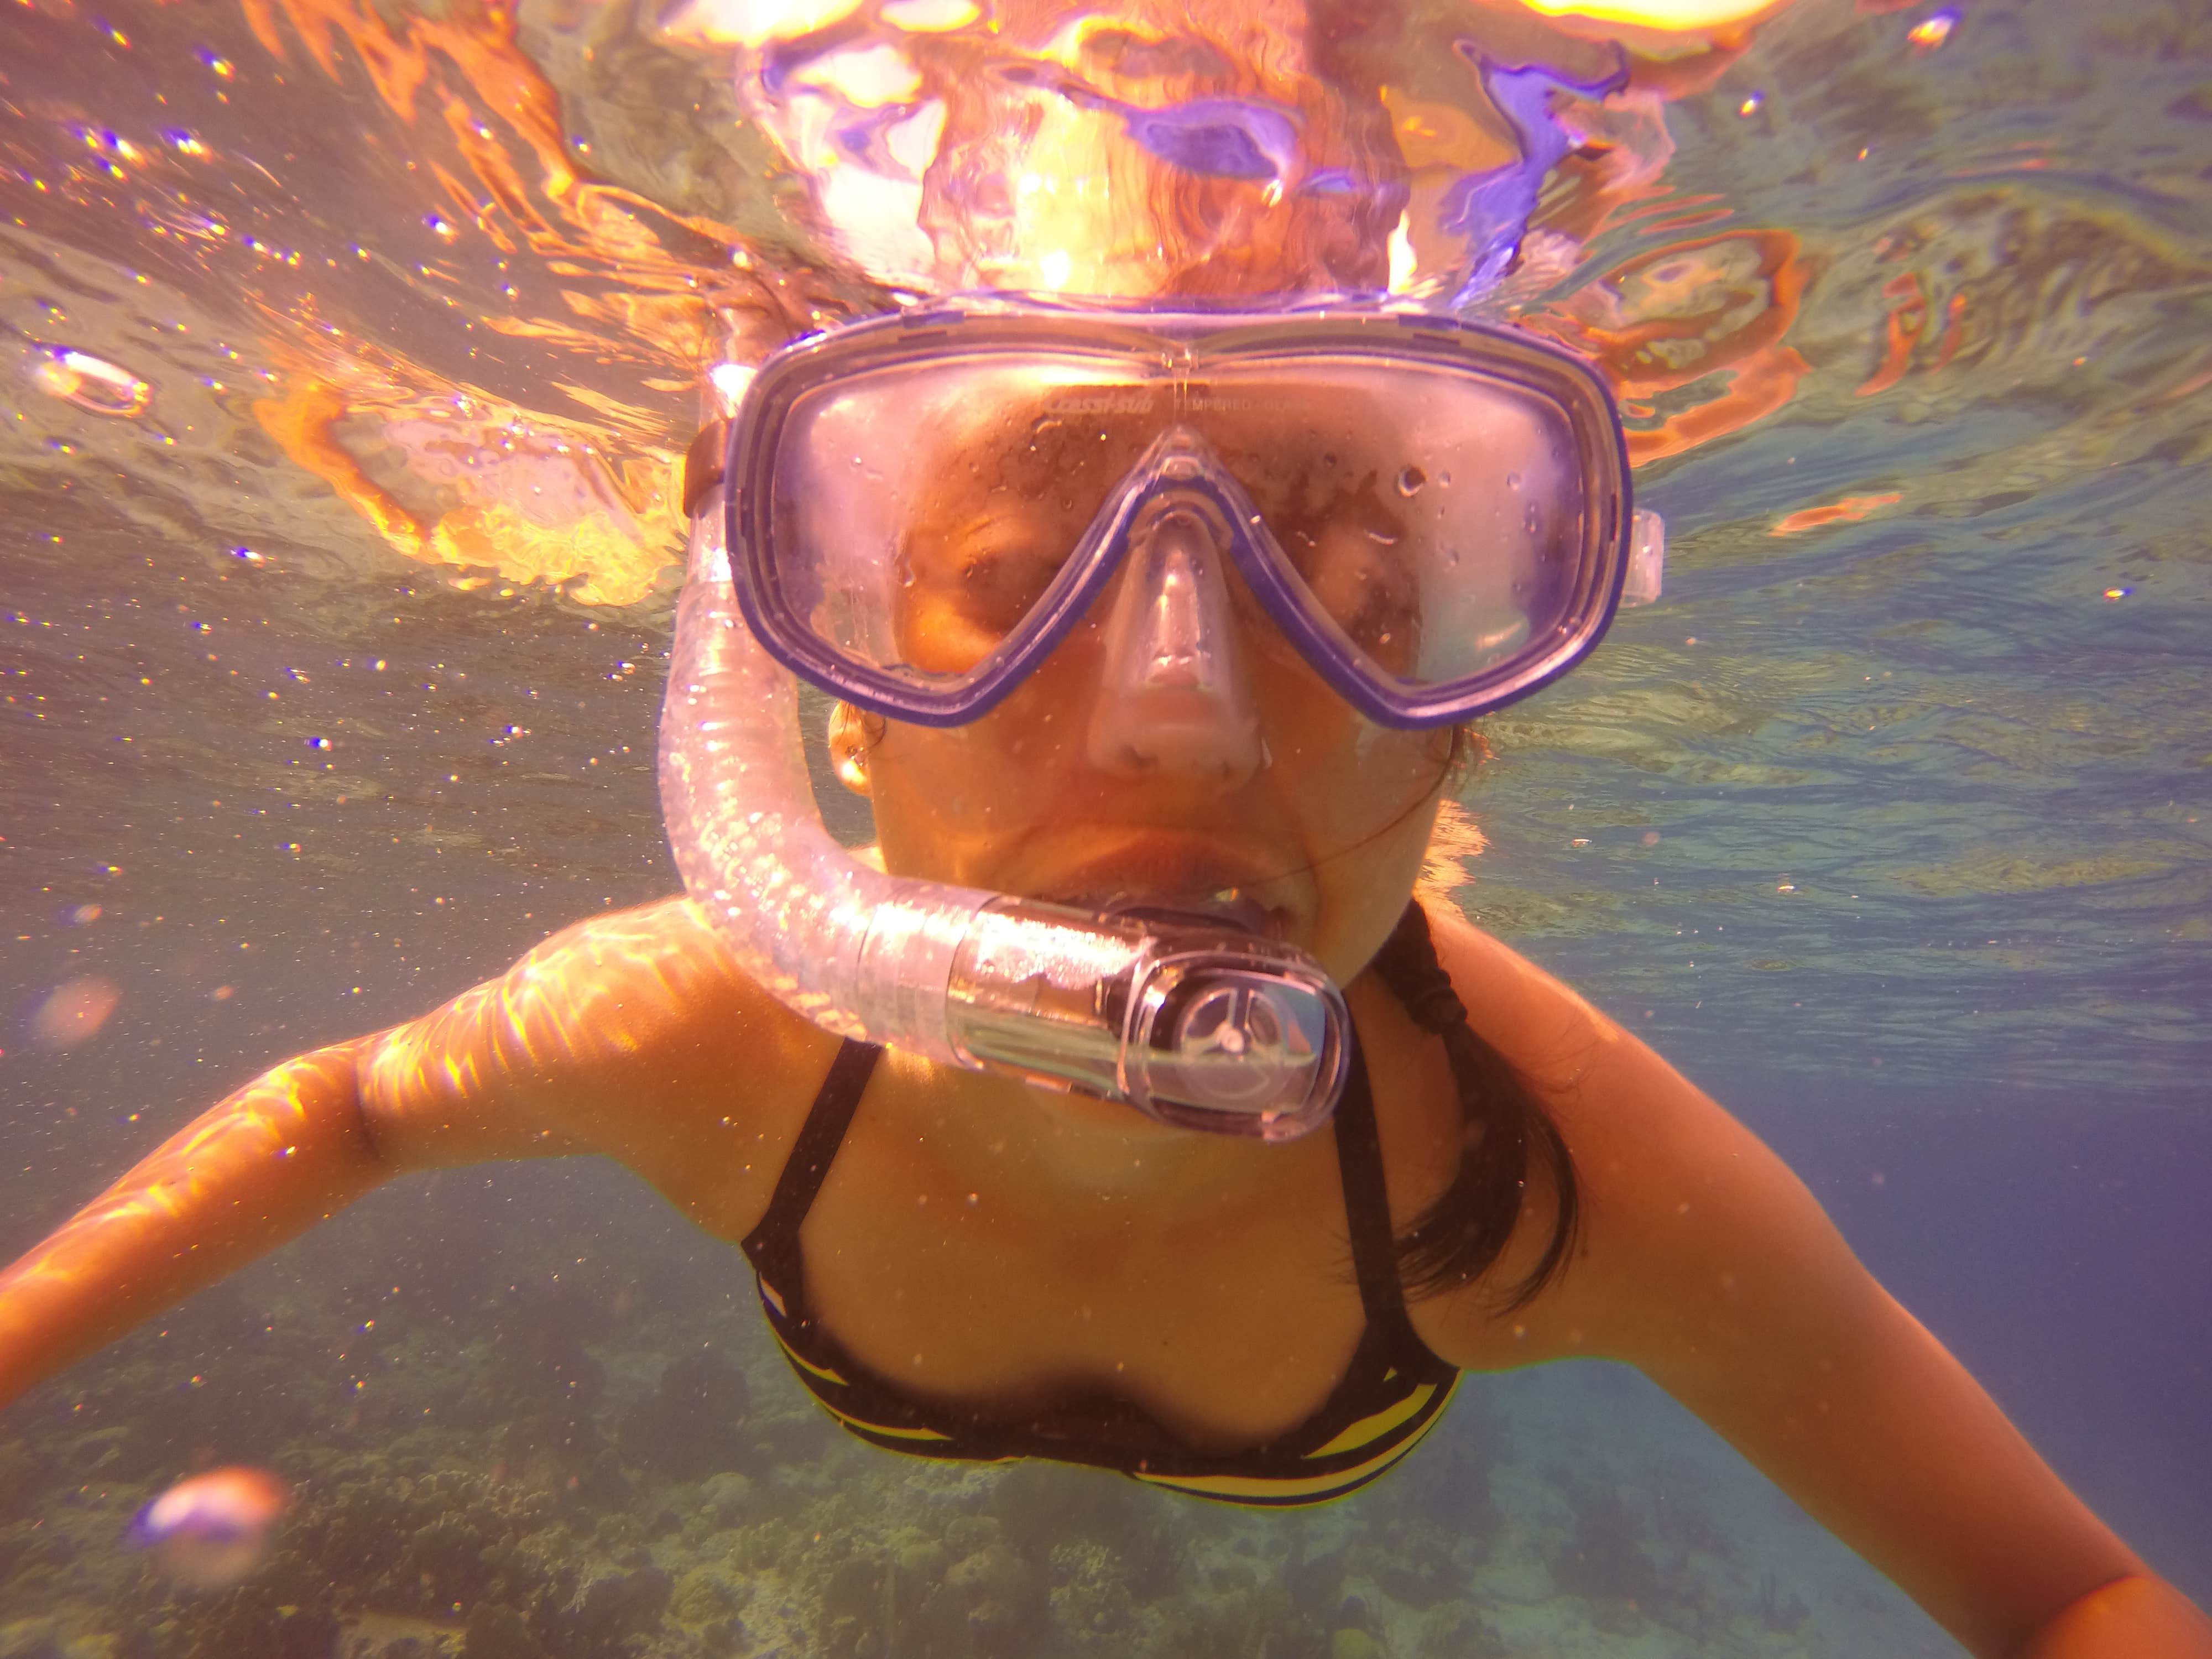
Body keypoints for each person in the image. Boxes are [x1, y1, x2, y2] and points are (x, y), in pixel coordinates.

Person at [1, 291, 2205, 1657]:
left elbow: (2070, 1601)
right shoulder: (706, 1027)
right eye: (1000, 582)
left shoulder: (1547, 1174)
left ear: (1461, 720)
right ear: (821, 703)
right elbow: (343, 1111)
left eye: (1346, 589)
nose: (1178, 715)